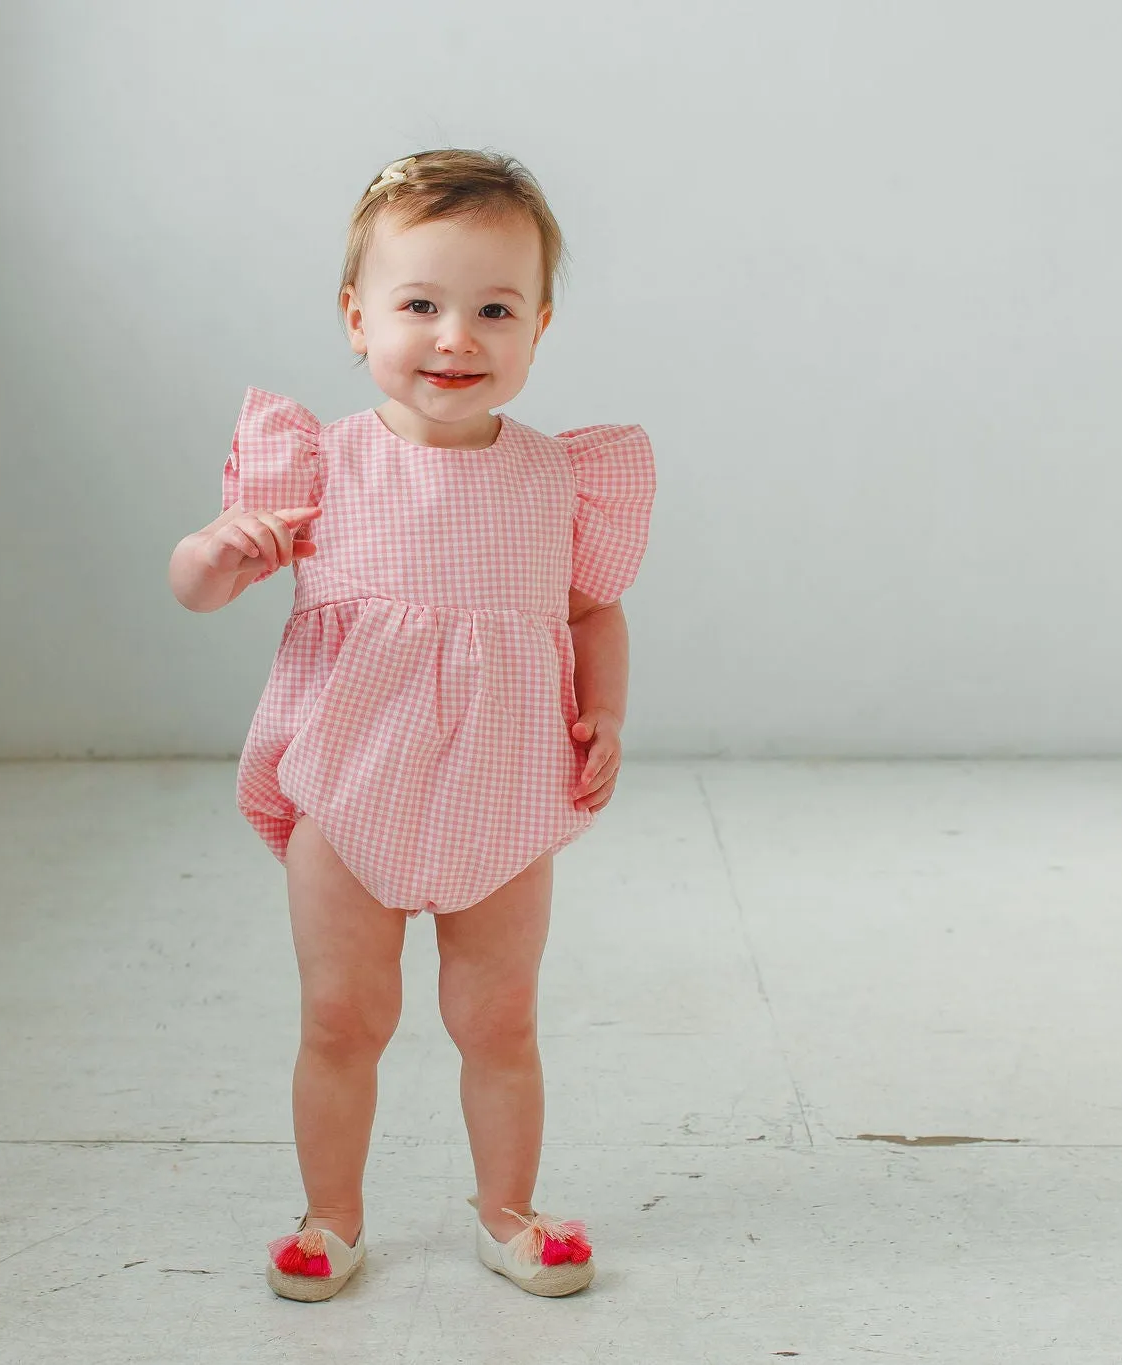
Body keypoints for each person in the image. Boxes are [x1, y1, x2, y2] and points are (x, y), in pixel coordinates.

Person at [167, 149, 656, 1301]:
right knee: (343, 1017)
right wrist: (213, 554)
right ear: (356, 317)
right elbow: (198, 589)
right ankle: (328, 1216)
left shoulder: (555, 479)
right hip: (350, 787)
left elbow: (593, 610)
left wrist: (605, 710)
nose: (456, 337)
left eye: (494, 309)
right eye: (419, 305)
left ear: (538, 324)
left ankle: (508, 1212)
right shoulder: (321, 467)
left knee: (499, 1022)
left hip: (500, 788)